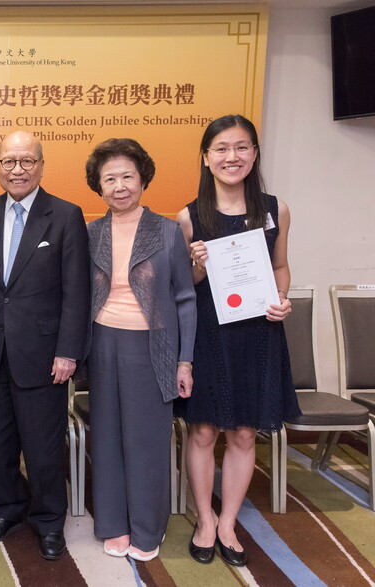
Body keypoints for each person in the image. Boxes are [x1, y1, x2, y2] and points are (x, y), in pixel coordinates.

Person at [174, 115, 300, 567]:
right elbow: (182, 287)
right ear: (206, 159)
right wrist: (198, 266)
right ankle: (205, 519)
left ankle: (228, 521)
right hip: (209, 335)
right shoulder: (189, 217)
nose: (232, 157)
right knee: (204, 429)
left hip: (259, 333)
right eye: (222, 149)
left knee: (245, 431)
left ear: (254, 154)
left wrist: (282, 297)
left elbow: (280, 266)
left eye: (242, 147)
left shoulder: (275, 209)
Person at [0, 130, 89, 561]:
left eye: (26, 161)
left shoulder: (66, 215)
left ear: (41, 165)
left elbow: (77, 291)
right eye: (8, 161)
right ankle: (8, 509)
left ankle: (49, 520)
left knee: (43, 446)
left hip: (45, 354)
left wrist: (68, 350)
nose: (17, 169)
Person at [84, 138, 196, 562]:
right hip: (101, 342)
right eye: (109, 178)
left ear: (142, 178)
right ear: (99, 185)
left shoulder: (167, 231)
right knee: (108, 435)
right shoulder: (90, 231)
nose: (119, 186)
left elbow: (185, 298)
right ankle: (112, 523)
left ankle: (147, 528)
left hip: (153, 345)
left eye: (127, 176)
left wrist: (184, 359)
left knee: (147, 439)